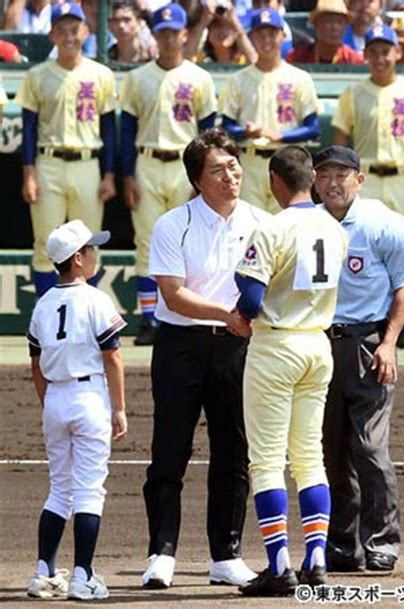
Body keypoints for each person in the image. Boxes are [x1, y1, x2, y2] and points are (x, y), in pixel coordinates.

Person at [142, 128, 268, 590]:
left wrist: (241, 322)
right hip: (181, 345)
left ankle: (226, 554)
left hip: (237, 348)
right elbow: (173, 296)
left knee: (234, 450)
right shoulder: (173, 223)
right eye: (217, 170)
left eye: (234, 165)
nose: (230, 175)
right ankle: (161, 552)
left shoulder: (259, 221)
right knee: (170, 450)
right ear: (197, 179)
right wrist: (225, 314)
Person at [233, 146, 347, 597]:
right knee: (309, 458)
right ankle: (316, 557)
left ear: (275, 181)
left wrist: (241, 314)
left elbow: (249, 299)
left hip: (276, 344)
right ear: (313, 180)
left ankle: (279, 564)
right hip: (318, 343)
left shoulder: (271, 225)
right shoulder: (334, 228)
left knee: (266, 462)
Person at [313, 145, 404, 574]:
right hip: (319, 344)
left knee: (369, 446)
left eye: (342, 174)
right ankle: (343, 542)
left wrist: (390, 342)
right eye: (324, 174)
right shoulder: (306, 223)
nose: (333, 182)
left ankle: (382, 540)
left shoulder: (385, 223)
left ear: (359, 180)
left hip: (368, 343)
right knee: (331, 449)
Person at [26, 219, 127, 601]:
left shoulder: (43, 305)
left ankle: (44, 572)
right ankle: (83, 576)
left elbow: (35, 365)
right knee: (88, 492)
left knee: (59, 490)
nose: (95, 253)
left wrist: (50, 403)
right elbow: (113, 356)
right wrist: (119, 407)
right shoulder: (97, 299)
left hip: (55, 398)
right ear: (79, 259)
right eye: (91, 249)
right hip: (89, 399)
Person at [120, 2, 217, 345]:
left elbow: (208, 135)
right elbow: (127, 130)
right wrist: (127, 175)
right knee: (146, 241)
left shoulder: (200, 78)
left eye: (174, 32)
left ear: (185, 34)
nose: (169, 38)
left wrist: (202, 177)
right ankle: (150, 319)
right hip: (147, 161)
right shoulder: (136, 77)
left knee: (188, 242)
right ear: (155, 36)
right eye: (162, 32)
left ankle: (184, 314)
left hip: (184, 164)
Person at [332, 24, 404, 349]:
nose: (380, 57)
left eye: (385, 50)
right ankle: (365, 318)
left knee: (403, 250)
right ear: (365, 55)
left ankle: (403, 324)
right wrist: (339, 181)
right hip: (365, 178)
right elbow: (340, 141)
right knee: (358, 248)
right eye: (373, 51)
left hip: (402, 175)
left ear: (398, 52)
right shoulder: (353, 92)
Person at [14, 2, 118, 299]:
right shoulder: (37, 75)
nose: (69, 36)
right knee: (46, 242)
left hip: (88, 162)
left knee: (88, 242)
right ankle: (48, 311)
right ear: (52, 35)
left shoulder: (101, 74)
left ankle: (87, 312)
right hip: (49, 162)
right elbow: (29, 128)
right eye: (62, 30)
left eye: (75, 29)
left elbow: (109, 128)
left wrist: (109, 174)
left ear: (86, 31)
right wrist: (29, 174)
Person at [219, 8, 323, 214]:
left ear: (283, 35)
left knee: (287, 229)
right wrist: (245, 133)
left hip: (288, 161)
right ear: (252, 36)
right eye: (261, 33)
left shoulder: (300, 78)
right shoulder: (237, 79)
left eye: (272, 33)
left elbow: (313, 128)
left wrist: (279, 135)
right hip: (251, 160)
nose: (267, 39)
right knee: (252, 231)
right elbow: (226, 128)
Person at [287, 0, 364, 65]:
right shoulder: (297, 57)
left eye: (340, 22)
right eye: (328, 21)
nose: (334, 27)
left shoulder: (354, 60)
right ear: (316, 25)